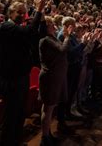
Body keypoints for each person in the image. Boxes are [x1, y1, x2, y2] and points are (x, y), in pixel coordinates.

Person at [0, 0, 46, 146]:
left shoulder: (20, 28)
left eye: (24, 13)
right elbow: (30, 31)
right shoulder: (6, 27)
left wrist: (41, 19)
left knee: (19, 113)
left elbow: (36, 36)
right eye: (19, 12)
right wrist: (38, 10)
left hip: (21, 76)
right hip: (11, 78)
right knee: (10, 114)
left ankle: (15, 141)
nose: (22, 15)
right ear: (10, 13)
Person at [38, 16, 73, 145]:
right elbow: (62, 50)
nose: (54, 25)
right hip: (50, 77)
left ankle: (47, 134)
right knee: (48, 108)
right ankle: (44, 138)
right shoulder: (45, 40)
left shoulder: (53, 38)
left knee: (49, 108)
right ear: (46, 27)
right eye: (51, 24)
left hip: (55, 76)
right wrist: (68, 36)